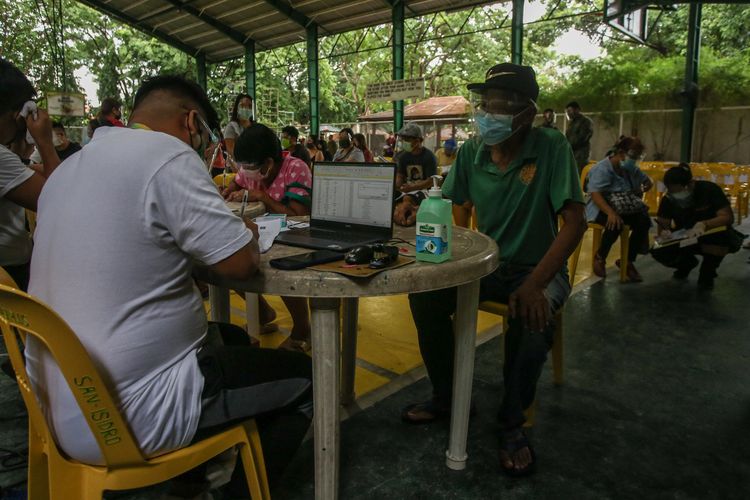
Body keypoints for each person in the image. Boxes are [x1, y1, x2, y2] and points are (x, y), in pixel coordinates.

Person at [25, 76, 312, 497]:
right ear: (191, 122)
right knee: (307, 381)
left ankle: (190, 482)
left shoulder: (70, 167)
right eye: (204, 136)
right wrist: (245, 231)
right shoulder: (168, 155)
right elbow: (239, 264)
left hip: (57, 404)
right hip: (129, 415)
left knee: (233, 337)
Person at [403, 63, 586, 477]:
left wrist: (538, 283)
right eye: (486, 104)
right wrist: (433, 227)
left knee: (532, 317)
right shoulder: (471, 152)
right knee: (425, 295)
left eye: (502, 105)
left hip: (538, 268)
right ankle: (449, 396)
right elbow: (455, 203)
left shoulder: (551, 147)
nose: (490, 113)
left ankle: (511, 423)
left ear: (526, 113)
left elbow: (575, 222)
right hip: (486, 265)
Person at [222, 123, 314, 352]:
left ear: (269, 163)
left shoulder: (296, 168)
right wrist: (227, 190)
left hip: (291, 236)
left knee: (283, 268)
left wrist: (262, 196)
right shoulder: (251, 168)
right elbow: (237, 181)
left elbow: (298, 216)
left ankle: (303, 328)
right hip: (260, 233)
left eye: (249, 167)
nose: (245, 171)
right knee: (232, 262)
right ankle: (263, 314)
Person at [0, 58, 61, 291]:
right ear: (16, 115)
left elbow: (20, 170)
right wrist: (44, 142)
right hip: (9, 274)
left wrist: (20, 148)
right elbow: (59, 199)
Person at [651, 163, 739, 290]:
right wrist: (664, 234)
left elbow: (727, 217)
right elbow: (663, 225)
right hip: (685, 237)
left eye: (679, 191)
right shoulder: (669, 200)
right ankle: (686, 265)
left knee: (719, 242)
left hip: (711, 234)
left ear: (690, 184)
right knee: (659, 249)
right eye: (671, 191)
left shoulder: (709, 190)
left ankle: (708, 273)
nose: (676, 195)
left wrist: (704, 224)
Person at [586, 136, 653, 282]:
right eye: (633, 157)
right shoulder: (602, 169)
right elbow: (596, 195)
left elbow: (647, 180)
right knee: (615, 222)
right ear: (621, 153)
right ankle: (600, 257)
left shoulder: (630, 169)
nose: (634, 161)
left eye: (638, 157)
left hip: (625, 207)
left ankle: (627, 260)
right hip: (601, 207)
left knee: (644, 221)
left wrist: (647, 184)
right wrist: (610, 212)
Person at [394, 122, 437, 192]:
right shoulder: (403, 157)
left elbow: (431, 181)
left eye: (407, 140)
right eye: (403, 139)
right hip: (407, 191)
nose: (403, 142)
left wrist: (413, 187)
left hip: (425, 192)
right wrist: (396, 185)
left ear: (417, 141)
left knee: (407, 200)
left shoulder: (429, 156)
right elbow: (400, 176)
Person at [223, 93, 254, 157]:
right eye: (242, 105)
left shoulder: (256, 127)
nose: (246, 109)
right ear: (237, 108)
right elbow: (232, 153)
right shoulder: (231, 127)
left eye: (250, 106)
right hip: (237, 166)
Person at [565, 101, 593, 172]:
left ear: (577, 110)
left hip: (581, 156)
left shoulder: (586, 121)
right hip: (571, 154)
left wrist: (568, 145)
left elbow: (582, 138)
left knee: (577, 175)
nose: (568, 113)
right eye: (567, 111)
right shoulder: (571, 123)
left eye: (570, 111)